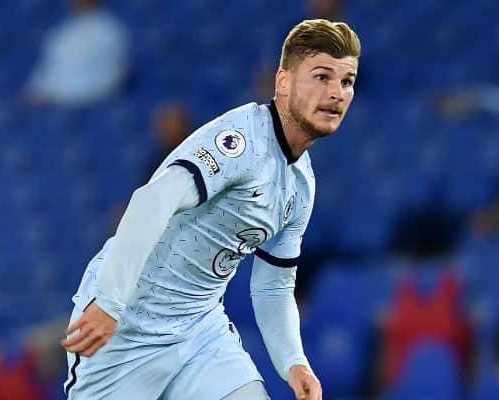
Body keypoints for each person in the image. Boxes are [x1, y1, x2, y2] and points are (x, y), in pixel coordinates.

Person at [61, 19, 360, 400]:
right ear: (283, 81)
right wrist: (109, 302)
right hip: (127, 324)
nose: (336, 93)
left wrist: (293, 361)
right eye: (321, 76)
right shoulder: (238, 141)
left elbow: (273, 286)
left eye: (347, 82)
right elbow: (152, 201)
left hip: (199, 331)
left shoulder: (302, 183)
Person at [24, 0, 129, 107]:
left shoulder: (112, 31)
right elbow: (42, 79)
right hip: (55, 106)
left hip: (94, 106)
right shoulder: (60, 34)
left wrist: (66, 97)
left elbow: (114, 78)